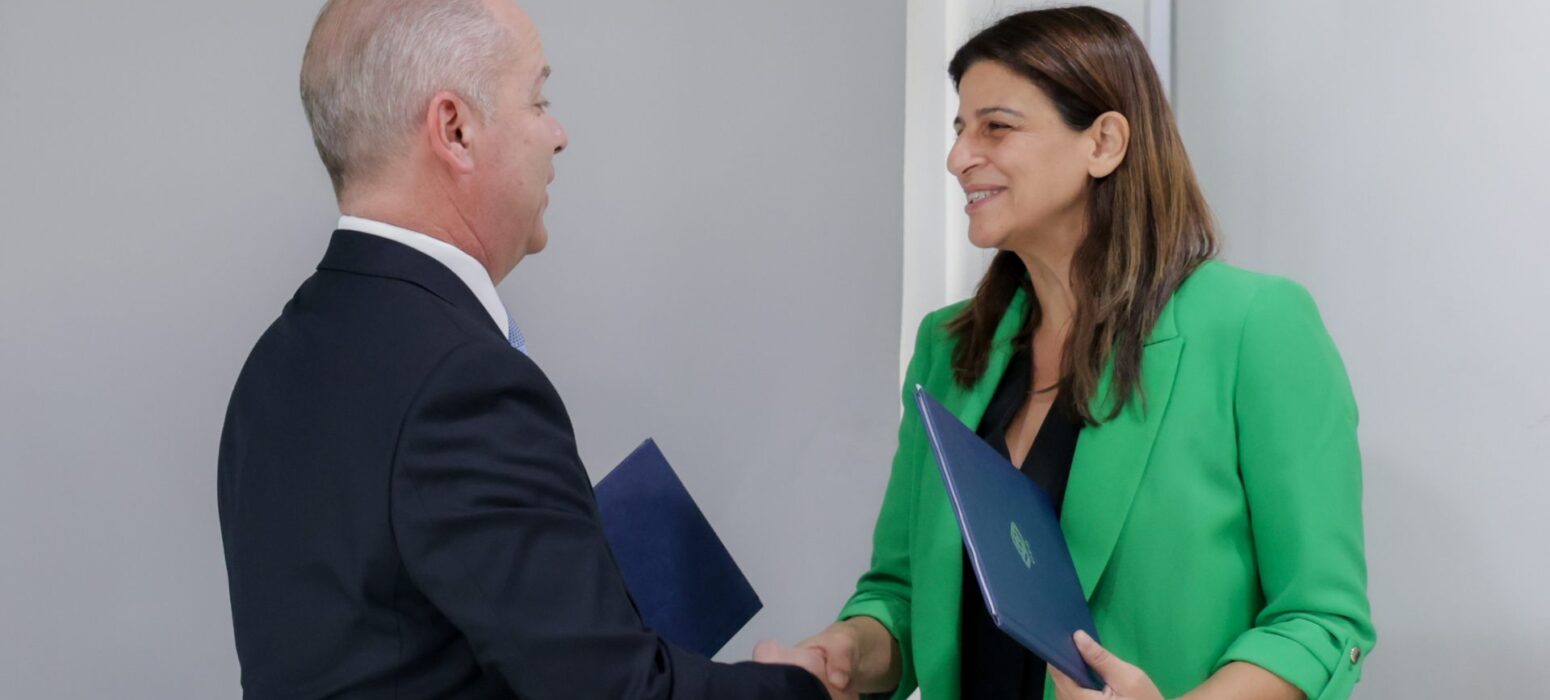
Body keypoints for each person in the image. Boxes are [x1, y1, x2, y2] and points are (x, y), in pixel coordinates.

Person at [216, 1, 832, 697]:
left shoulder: (275, 361)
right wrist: (793, 687)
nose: (558, 135)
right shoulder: (463, 384)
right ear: (455, 130)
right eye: (538, 100)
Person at [765, 7, 1375, 700]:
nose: (959, 157)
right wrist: (846, 650)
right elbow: (902, 595)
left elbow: (1319, 621)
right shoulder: (946, 346)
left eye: (996, 127)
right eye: (960, 129)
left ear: (1104, 142)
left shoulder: (1255, 326)